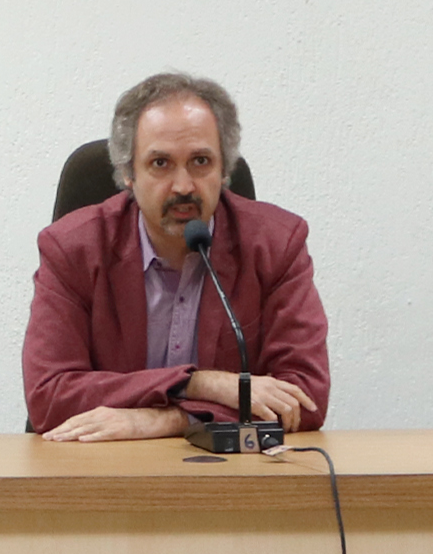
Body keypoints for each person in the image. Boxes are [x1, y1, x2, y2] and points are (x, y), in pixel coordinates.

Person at [23, 73, 330, 441]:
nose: (183, 186)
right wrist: (200, 384)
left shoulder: (277, 245)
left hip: (228, 480)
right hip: (102, 476)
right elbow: (49, 395)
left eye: (200, 161)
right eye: (160, 164)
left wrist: (170, 420)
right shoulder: (71, 249)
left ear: (224, 170)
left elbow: (306, 395)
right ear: (128, 175)